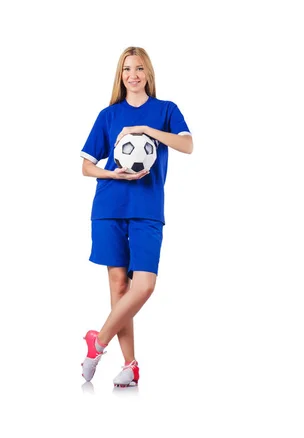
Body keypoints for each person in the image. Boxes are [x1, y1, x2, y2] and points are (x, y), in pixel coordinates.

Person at [80, 47, 193, 387]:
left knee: (143, 285)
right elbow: (86, 166)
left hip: (147, 209)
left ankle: (96, 342)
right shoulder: (108, 115)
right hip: (109, 207)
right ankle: (130, 365)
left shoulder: (166, 110)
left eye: (139, 68)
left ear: (148, 73)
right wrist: (114, 174)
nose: (133, 75)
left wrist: (145, 129)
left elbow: (187, 145)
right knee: (118, 285)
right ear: (120, 75)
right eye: (127, 69)